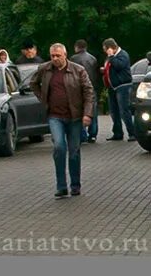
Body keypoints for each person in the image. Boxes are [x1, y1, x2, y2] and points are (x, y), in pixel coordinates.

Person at [29, 42, 94, 197]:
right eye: (52, 56)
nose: (55, 58)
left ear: (65, 55)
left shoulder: (78, 70)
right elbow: (33, 83)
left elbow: (88, 92)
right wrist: (43, 98)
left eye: (58, 55)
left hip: (75, 117)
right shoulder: (45, 69)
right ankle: (61, 186)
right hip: (55, 116)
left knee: (74, 151)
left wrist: (87, 114)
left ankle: (75, 185)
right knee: (59, 147)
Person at [103, 39, 134, 140]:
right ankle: (118, 133)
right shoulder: (111, 57)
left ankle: (132, 133)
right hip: (112, 87)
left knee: (124, 110)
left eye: (105, 49)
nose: (105, 52)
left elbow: (119, 66)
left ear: (111, 48)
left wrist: (111, 56)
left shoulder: (123, 55)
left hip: (122, 86)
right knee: (114, 111)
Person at [70, 40, 99, 142]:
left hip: (78, 89)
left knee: (79, 112)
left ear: (77, 47)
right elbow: (96, 75)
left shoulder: (73, 59)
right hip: (92, 88)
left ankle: (82, 135)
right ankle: (93, 134)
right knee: (93, 111)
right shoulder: (93, 59)